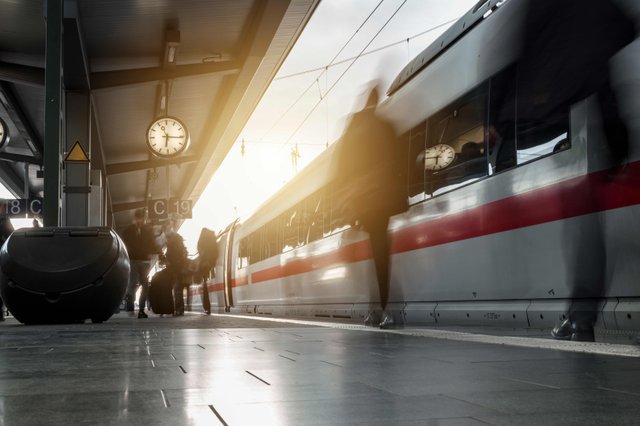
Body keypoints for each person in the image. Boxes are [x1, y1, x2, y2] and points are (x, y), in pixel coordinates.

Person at [331, 84, 406, 328]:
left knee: (373, 255)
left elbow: (342, 162)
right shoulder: (385, 126)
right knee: (380, 255)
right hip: (380, 200)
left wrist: (343, 194)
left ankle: (377, 309)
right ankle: (384, 309)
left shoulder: (355, 125)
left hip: (364, 202)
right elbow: (398, 162)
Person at [122, 209, 162, 318]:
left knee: (144, 285)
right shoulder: (128, 231)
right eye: (138, 218)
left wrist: (160, 254)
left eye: (142, 218)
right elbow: (124, 244)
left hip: (144, 261)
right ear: (134, 219)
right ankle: (130, 302)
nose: (140, 221)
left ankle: (140, 309)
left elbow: (153, 243)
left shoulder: (147, 231)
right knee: (133, 283)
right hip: (133, 260)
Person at [163, 220, 189, 316]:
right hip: (174, 266)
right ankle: (177, 308)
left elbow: (178, 253)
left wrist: (171, 262)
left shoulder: (175, 238)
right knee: (176, 288)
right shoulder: (172, 239)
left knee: (177, 288)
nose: (167, 231)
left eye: (168, 228)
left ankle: (179, 309)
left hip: (176, 267)